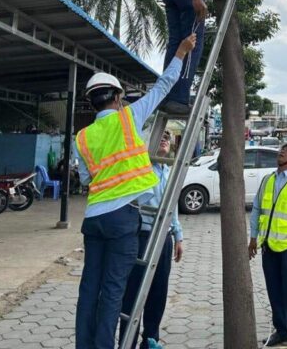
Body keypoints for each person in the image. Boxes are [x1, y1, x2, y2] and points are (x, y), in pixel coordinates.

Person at [74, 34, 196, 349]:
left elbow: (86, 178)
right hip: (122, 219)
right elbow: (163, 86)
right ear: (117, 97)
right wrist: (181, 52)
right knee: (114, 290)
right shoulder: (129, 119)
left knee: (90, 289)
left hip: (93, 219)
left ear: (92, 101)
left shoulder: (83, 137)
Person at [119, 130, 183, 349]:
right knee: (134, 292)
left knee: (158, 291)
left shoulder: (168, 170)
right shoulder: (141, 168)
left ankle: (150, 340)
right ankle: (127, 340)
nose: (164, 140)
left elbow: (171, 205)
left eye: (167, 137)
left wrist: (178, 235)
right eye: (160, 136)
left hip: (163, 238)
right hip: (143, 235)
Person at [248, 141, 287, 349]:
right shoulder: (267, 179)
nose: (281, 152)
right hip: (268, 245)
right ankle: (283, 332)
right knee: (274, 291)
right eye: (282, 149)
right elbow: (257, 209)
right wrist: (253, 238)